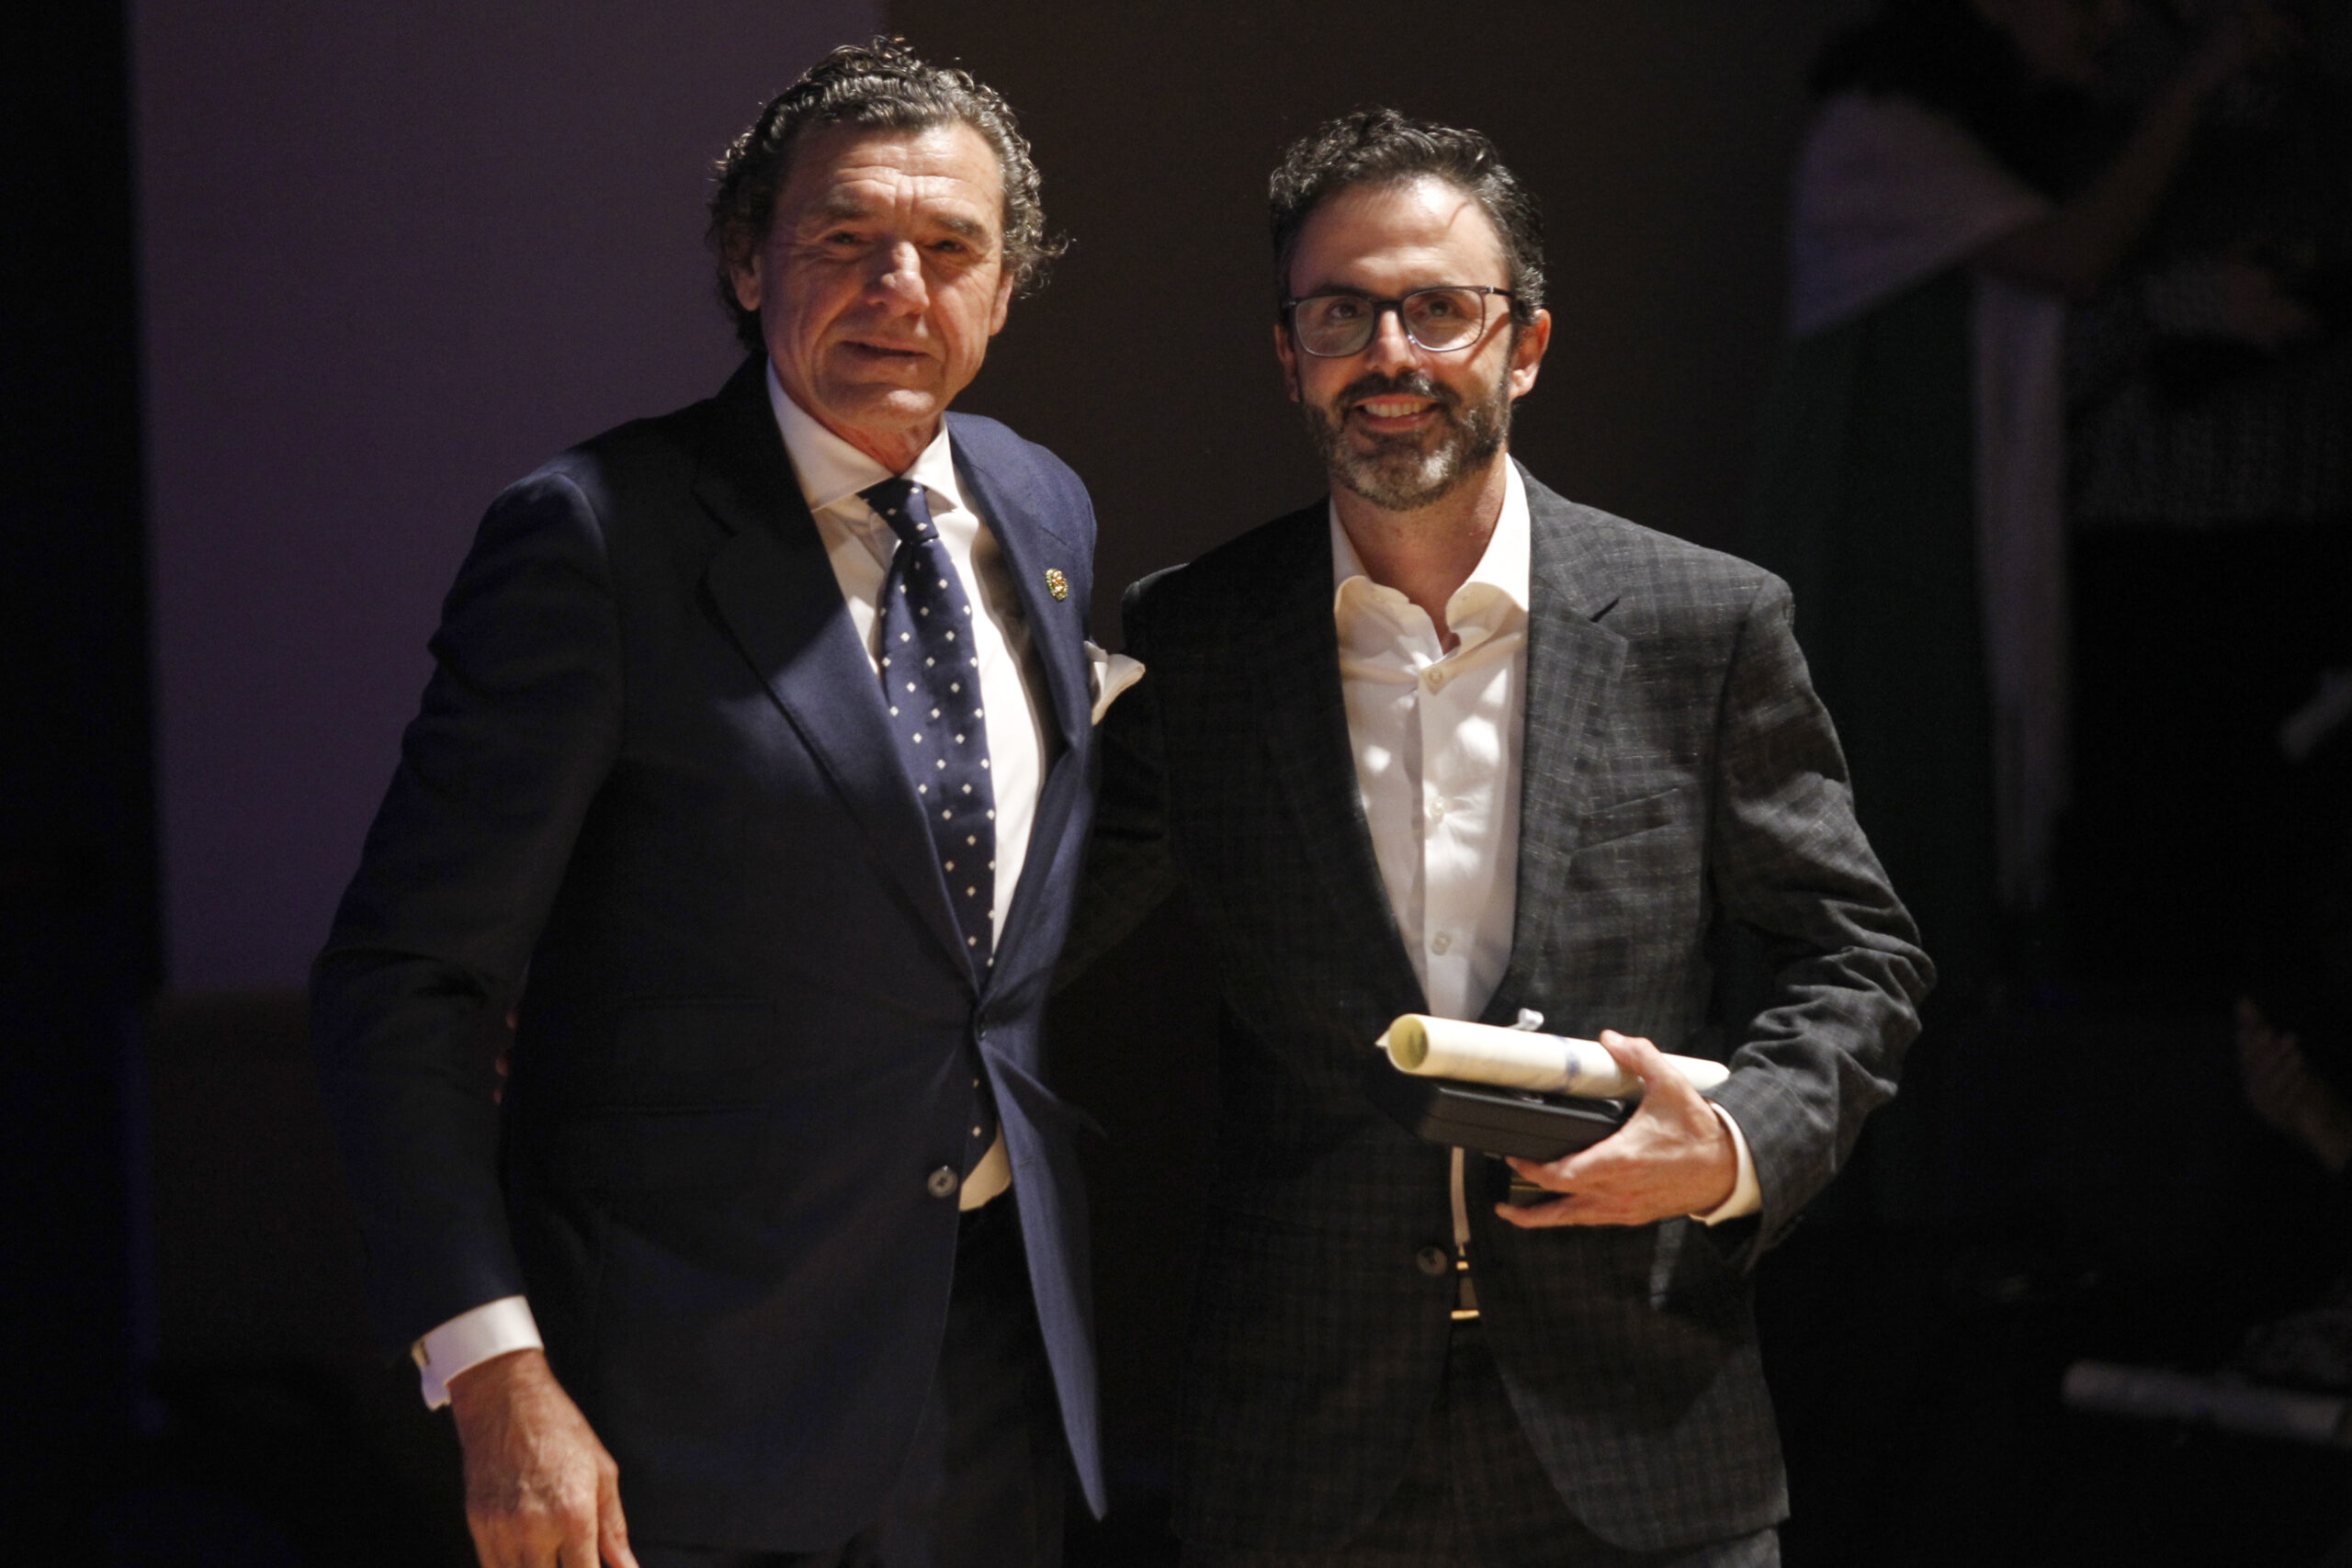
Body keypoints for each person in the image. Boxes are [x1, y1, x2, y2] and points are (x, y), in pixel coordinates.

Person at [1065, 111, 1931, 1567]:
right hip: (1307, 1450)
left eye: (1437, 310)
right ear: (1287, 353)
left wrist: (1734, 1142)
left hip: (1646, 1432)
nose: (1388, 354)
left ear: (1524, 344)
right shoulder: (1199, 640)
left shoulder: (1703, 621)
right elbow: (1030, 939)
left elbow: (1859, 956)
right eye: (1340, 313)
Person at [311, 41, 1109, 1568]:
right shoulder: (594, 538)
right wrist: (494, 1372)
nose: (899, 285)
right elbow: (404, 980)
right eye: (844, 236)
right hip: (681, 1403)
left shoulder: (1042, 506)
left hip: (985, 1372)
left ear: (1007, 289)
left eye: (950, 248)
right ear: (749, 263)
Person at [1747, 0, 2270, 1004]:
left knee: (1963, 808)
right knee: (1888, 793)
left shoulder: (1985, 140)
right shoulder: (1878, 133)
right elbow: (2075, 258)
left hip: (1956, 532)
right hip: (1882, 531)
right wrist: (2195, 87)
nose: (2112, 22)